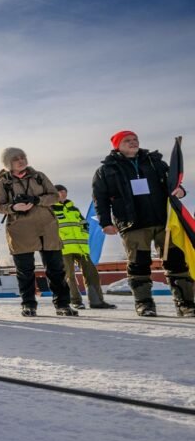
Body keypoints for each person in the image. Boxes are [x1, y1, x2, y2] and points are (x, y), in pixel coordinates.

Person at [92, 131, 193, 317]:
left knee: (177, 262)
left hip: (165, 221)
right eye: (127, 141)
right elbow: (100, 199)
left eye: (135, 140)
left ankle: (186, 304)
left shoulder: (155, 161)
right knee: (139, 264)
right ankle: (144, 304)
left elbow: (173, 182)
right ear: (117, 145)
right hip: (133, 223)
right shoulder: (106, 170)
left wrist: (181, 191)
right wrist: (105, 222)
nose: (133, 143)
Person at [0, 148, 77, 317]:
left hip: (47, 227)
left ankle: (63, 304)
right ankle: (28, 304)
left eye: (23, 157)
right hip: (20, 230)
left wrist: (37, 200)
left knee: (56, 269)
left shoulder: (39, 176)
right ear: (8, 163)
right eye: (16, 158)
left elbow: (55, 196)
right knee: (25, 271)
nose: (21, 160)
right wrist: (14, 207)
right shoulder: (3, 184)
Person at [52, 185, 116, 310]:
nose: (63, 194)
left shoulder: (74, 210)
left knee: (92, 273)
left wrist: (84, 235)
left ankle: (96, 301)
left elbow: (84, 225)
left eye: (65, 191)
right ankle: (75, 301)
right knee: (69, 275)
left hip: (81, 248)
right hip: (63, 248)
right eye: (60, 192)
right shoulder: (51, 210)